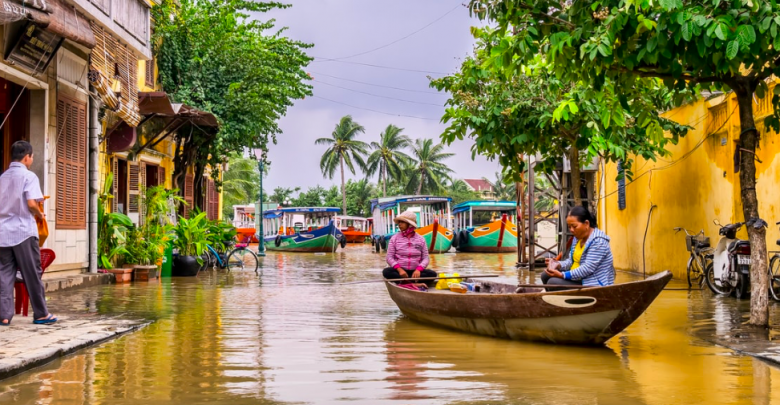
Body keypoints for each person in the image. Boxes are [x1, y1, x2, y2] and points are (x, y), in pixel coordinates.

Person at [0, 141, 56, 325]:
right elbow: (32, 203)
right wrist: (40, 214)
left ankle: (4, 316)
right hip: (23, 231)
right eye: (32, 157)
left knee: (4, 274)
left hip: (3, 232)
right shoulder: (29, 176)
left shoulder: (2, 177)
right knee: (32, 273)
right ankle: (41, 314)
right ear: (26, 157)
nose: (32, 160)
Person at [543, 206, 615, 287]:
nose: (572, 230)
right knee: (545, 275)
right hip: (578, 279)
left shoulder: (598, 241)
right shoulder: (577, 238)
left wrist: (562, 275)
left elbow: (587, 269)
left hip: (592, 283)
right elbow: (571, 261)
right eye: (569, 227)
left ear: (586, 224)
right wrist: (558, 264)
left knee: (553, 282)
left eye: (574, 226)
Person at [382, 209, 437, 285]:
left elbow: (426, 258)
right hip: (400, 272)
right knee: (386, 272)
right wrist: (400, 270)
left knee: (432, 274)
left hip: (415, 273)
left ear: (410, 224)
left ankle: (406, 282)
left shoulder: (421, 239)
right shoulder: (394, 238)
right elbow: (389, 257)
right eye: (399, 222)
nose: (399, 224)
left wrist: (418, 269)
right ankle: (413, 283)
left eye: (402, 222)